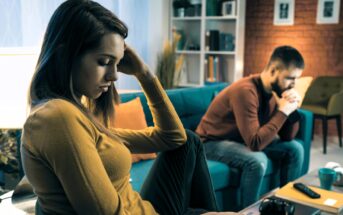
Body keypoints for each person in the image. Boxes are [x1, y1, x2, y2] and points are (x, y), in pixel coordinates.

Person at [20, 1, 241, 214]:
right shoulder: (57, 117)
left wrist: (144, 74)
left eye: (117, 63)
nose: (114, 75)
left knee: (190, 141)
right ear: (65, 54)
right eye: (104, 62)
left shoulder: (78, 116)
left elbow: (174, 138)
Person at [196, 46, 305, 208]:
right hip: (210, 142)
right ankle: (248, 211)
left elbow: (287, 137)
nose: (293, 85)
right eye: (290, 78)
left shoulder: (274, 91)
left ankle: (287, 205)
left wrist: (291, 109)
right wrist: (282, 111)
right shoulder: (246, 91)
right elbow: (255, 143)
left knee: (295, 148)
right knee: (257, 160)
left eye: (296, 79)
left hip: (240, 139)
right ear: (274, 71)